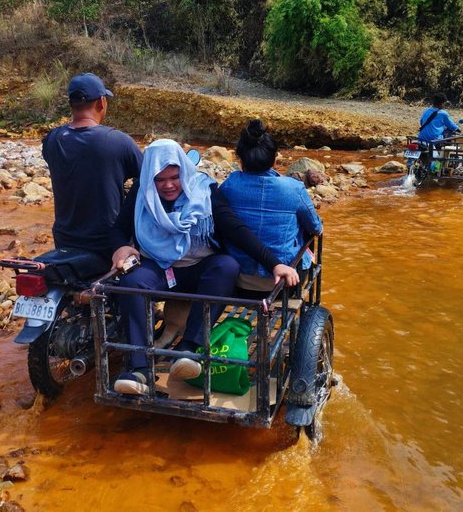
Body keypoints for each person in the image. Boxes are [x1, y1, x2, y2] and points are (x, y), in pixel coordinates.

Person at [109, 139, 299, 395]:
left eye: (174, 177)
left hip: (200, 266)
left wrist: (274, 263)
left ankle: (189, 349)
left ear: (184, 173)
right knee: (131, 283)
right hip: (160, 268)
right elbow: (119, 230)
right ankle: (140, 368)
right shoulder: (140, 193)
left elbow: (235, 229)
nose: (168, 185)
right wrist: (120, 247)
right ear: (149, 177)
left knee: (226, 266)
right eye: (160, 179)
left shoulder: (204, 191)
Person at [42, 73, 142, 262]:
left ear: (71, 104)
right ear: (101, 102)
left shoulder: (52, 139)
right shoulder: (118, 141)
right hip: (108, 242)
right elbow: (148, 180)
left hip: (65, 238)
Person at [220, 119, 322, 296]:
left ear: (240, 159)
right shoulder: (294, 188)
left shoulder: (230, 185)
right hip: (284, 284)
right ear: (274, 159)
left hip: (238, 282)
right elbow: (316, 227)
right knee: (307, 238)